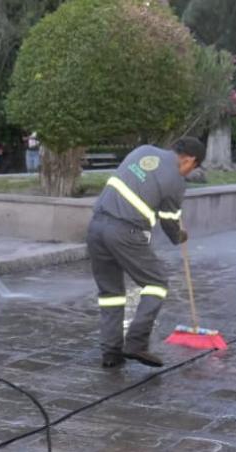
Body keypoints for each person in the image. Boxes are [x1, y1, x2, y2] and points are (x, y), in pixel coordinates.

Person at [87, 137, 205, 369]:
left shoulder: (143, 150)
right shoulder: (176, 182)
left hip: (96, 227)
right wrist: (179, 236)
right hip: (125, 232)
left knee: (111, 293)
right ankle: (136, 343)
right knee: (157, 283)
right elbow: (170, 222)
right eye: (194, 167)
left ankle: (111, 352)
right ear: (190, 159)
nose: (191, 171)